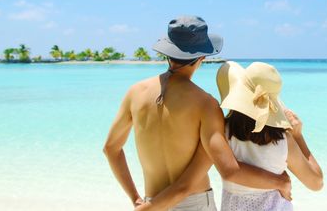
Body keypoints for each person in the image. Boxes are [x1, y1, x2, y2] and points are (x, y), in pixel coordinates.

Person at [103, 16, 291, 211]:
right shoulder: (206, 104)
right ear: (201, 57)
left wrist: (136, 200)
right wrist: (280, 181)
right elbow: (227, 171)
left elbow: (111, 149)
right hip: (194, 204)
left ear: (168, 52)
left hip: (152, 202)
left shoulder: (135, 93)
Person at [216, 61, 323, 211]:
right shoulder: (283, 141)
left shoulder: (221, 131)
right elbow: (316, 183)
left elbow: (229, 171)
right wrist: (298, 136)